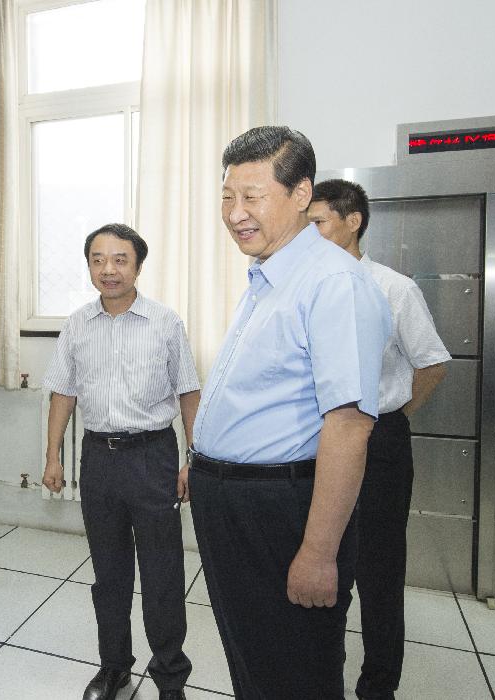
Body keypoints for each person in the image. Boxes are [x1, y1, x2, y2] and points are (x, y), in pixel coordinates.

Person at [187, 126, 391, 699]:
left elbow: (350, 425)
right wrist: (201, 457)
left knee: (295, 669)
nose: (235, 213)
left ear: (301, 194)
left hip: (282, 510)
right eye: (228, 196)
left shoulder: (332, 282)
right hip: (234, 500)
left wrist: (319, 553)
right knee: (255, 657)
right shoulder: (270, 275)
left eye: (253, 196)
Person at [43, 223, 200, 700]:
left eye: (119, 259)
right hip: (99, 460)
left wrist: (192, 458)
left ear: (137, 265)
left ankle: (169, 674)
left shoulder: (165, 322)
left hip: (152, 456)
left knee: (162, 573)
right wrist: (52, 456)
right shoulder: (76, 324)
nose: (107, 269)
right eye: (97, 259)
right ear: (89, 264)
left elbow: (189, 392)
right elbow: (63, 393)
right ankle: (114, 667)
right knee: (108, 573)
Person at [309, 179, 450, 700]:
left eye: (319, 221)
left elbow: (432, 363)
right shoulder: (306, 286)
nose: (312, 233)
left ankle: (377, 686)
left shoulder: (392, 288)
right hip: (317, 440)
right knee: (322, 559)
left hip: (379, 442)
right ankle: (322, 677)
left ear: (354, 221)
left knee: (379, 571)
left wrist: (390, 414)